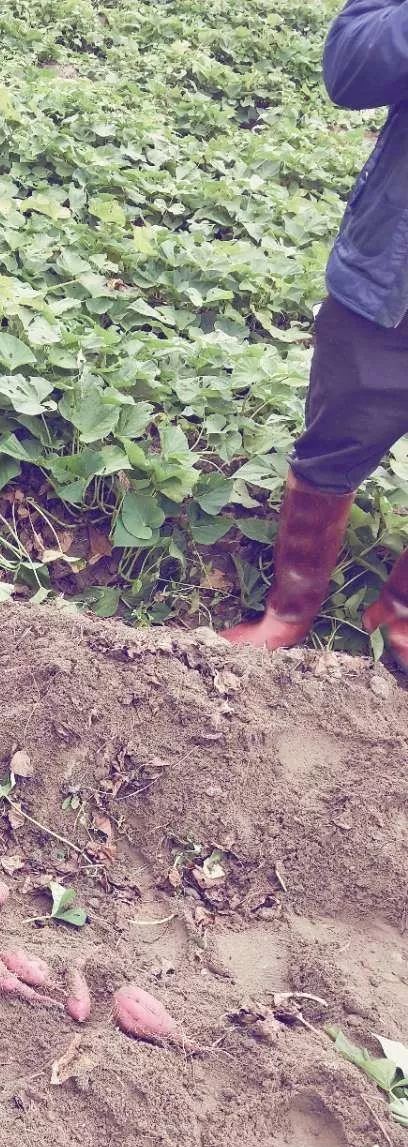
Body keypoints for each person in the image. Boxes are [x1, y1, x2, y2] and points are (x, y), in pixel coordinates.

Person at [223, 0, 407, 669]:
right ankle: (290, 610)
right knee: (336, 442)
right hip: (392, 283)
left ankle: (403, 617)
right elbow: (351, 67)